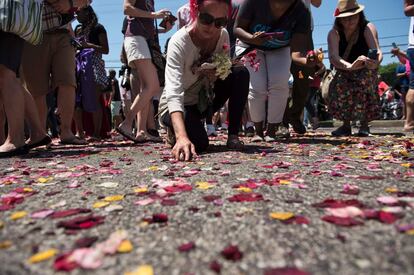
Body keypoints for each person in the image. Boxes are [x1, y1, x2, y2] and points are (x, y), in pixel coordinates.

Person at [158, 0, 250, 161]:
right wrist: (182, 137)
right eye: (206, 19)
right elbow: (174, 92)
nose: (212, 27)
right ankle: (175, 129)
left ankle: (233, 135)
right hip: (177, 105)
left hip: (203, 99)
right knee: (199, 144)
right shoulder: (178, 42)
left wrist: (216, 73)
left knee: (240, 73)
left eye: (220, 22)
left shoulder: (223, 35)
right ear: (195, 11)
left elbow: (224, 72)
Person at [234, 0, 322, 142]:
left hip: (280, 49)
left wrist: (307, 61)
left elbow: (296, 53)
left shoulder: (302, 11)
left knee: (280, 83)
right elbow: (237, 29)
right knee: (257, 87)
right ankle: (258, 131)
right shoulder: (252, 2)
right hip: (251, 45)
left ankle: (271, 130)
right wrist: (252, 38)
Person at [21, 0, 89, 145]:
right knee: (36, 88)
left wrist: (70, 3)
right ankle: (39, 134)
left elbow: (87, 1)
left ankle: (66, 132)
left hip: (64, 33)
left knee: (67, 82)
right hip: (33, 35)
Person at [117, 0, 172, 142]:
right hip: (136, 39)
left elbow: (143, 21)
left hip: (142, 40)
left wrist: (163, 29)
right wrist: (154, 15)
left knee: (146, 88)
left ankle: (141, 131)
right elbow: (127, 9)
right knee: (152, 86)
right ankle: (127, 124)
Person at [327, 0, 382, 137]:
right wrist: (349, 66)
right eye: (345, 18)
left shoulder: (367, 27)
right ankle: (346, 125)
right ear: (339, 20)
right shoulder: (334, 33)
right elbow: (334, 57)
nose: (350, 21)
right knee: (342, 87)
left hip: (365, 68)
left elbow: (377, 51)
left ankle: (364, 125)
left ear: (360, 15)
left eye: (353, 16)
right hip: (344, 68)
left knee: (365, 82)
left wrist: (374, 63)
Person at [282, 0, 322, 136]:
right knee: (280, 77)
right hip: (280, 28)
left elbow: (317, 3)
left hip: (304, 31)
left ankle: (294, 115)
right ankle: (282, 122)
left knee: (303, 78)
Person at [74, 5, 110, 140]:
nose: (76, 15)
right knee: (78, 100)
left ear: (87, 12)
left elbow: (106, 49)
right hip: (78, 63)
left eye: (78, 12)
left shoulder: (98, 28)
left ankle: (96, 133)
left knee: (95, 100)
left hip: (94, 64)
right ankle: (80, 132)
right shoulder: (78, 29)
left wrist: (89, 45)